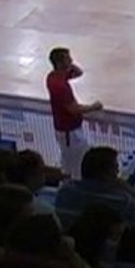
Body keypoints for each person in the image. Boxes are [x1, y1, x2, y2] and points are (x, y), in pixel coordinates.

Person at [46, 47, 102, 179]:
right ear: (59, 63)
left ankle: (67, 185)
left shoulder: (54, 76)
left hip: (67, 131)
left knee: (69, 163)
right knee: (79, 165)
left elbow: (79, 73)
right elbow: (73, 109)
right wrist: (93, 107)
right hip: (70, 133)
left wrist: (69, 65)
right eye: (68, 58)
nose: (71, 60)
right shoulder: (59, 85)